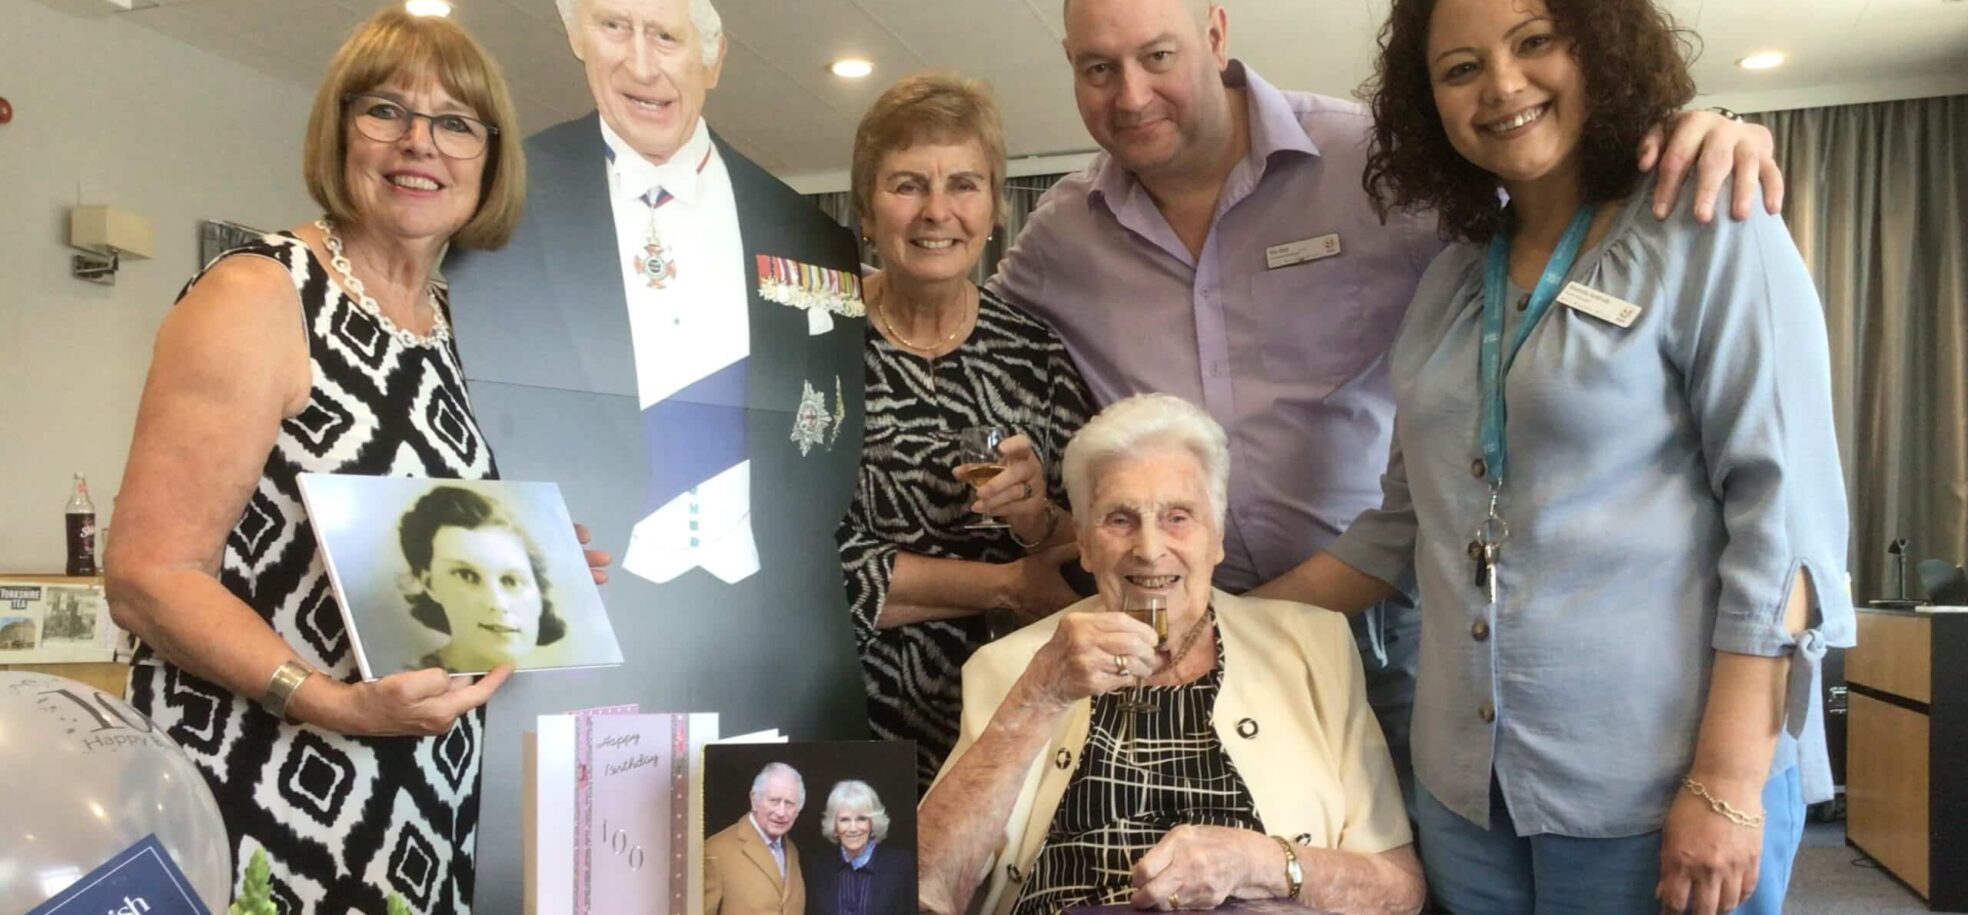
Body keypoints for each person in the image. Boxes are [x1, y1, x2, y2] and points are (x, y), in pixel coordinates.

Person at [986, 0, 1788, 799]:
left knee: (1392, 872)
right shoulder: (1062, 233)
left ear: (1216, 35)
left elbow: (1556, 196)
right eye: (1098, 68)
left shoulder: (1370, 161)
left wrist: (1689, 129)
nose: (1130, 95)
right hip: (1184, 635)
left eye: (1157, 57)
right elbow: (948, 318)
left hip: (1392, 626)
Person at [1255, 0, 1853, 911]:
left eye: (1535, 43)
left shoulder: (1708, 225)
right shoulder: (1454, 278)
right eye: (1459, 69)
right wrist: (1214, 616)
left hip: (1657, 789)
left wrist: (1728, 783)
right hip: (1465, 795)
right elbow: (1403, 526)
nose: (1501, 85)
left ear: (1601, 53)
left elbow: (1788, 528)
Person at [103, 10, 551, 911]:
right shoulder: (259, 291)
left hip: (418, 788)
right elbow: (148, 575)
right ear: (341, 129)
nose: (419, 143)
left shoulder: (449, 320)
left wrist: (537, 565)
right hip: (259, 781)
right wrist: (328, 702)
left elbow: (410, 547)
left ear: (489, 159)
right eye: (386, 110)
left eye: (456, 123)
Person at [440, 5, 873, 882]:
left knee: (775, 889)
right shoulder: (491, 198)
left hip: (771, 648)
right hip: (576, 657)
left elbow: (829, 453)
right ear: (574, 36)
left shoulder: (813, 237)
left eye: (667, 36)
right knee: (584, 891)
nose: (640, 64)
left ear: (714, 57)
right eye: (613, 27)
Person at [918, 394, 1422, 915]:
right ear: (1084, 543)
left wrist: (1263, 863)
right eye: (1119, 519)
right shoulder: (1015, 666)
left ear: (1217, 537)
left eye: (1178, 517)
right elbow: (922, 887)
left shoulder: (1312, 648)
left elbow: (1397, 889)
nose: (1151, 548)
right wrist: (1040, 695)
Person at [837, 72, 1094, 792]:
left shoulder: (1035, 353)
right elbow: (801, 566)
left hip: (1013, 717)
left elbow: (1091, 547)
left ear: (994, 210)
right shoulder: (812, 337)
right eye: (908, 184)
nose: (937, 211)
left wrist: (1036, 516)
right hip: (846, 712)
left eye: (964, 184)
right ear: (865, 208)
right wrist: (1007, 582)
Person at [398, 485, 568, 672]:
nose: (497, 603)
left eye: (510, 580)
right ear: (430, 584)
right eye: (467, 576)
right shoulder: (402, 691)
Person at [707, 762, 810, 915]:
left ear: (798, 811)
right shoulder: (716, 850)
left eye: (789, 803)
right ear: (754, 800)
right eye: (774, 801)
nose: (781, 812)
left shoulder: (792, 850)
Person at [806, 779, 916, 915]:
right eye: (844, 820)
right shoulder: (818, 869)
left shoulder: (900, 866)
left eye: (861, 819)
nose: (853, 828)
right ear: (834, 826)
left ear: (872, 823)